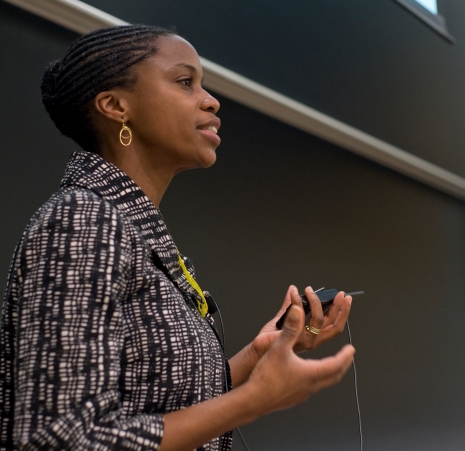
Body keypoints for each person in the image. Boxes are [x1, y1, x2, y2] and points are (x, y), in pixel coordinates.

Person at [0, 25, 355, 451]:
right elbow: (56, 440)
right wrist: (252, 401)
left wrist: (259, 355)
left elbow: (156, 398)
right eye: (185, 82)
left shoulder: (130, 227)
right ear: (115, 106)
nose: (211, 100)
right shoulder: (83, 221)